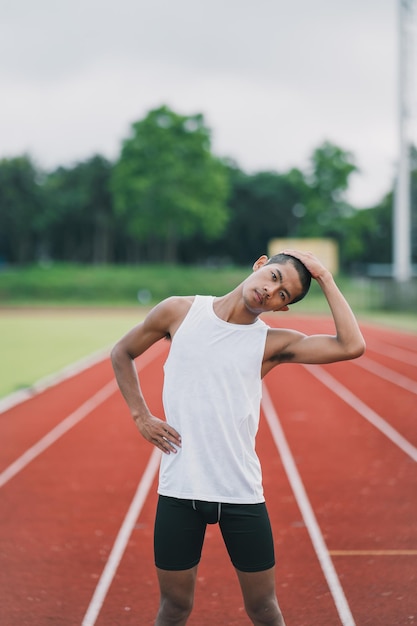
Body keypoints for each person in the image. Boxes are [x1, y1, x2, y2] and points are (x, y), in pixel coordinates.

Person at [111, 249, 365, 626]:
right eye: (275, 277)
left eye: (284, 296)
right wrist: (140, 415)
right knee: (174, 608)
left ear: (283, 309)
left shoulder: (272, 344)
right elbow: (122, 352)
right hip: (181, 489)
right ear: (260, 265)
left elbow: (350, 346)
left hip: (241, 493)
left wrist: (325, 279)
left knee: (264, 609)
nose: (271, 291)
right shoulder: (179, 312)